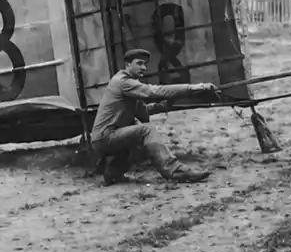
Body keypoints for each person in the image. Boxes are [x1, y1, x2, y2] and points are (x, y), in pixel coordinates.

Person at [90, 48, 217, 185]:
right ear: (127, 64)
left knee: (141, 131)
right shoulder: (122, 82)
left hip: (106, 137)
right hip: (105, 137)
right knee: (146, 130)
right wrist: (194, 88)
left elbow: (144, 113)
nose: (143, 68)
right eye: (139, 63)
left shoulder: (131, 87)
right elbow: (153, 91)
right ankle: (175, 171)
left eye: (145, 64)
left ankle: (112, 173)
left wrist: (165, 104)